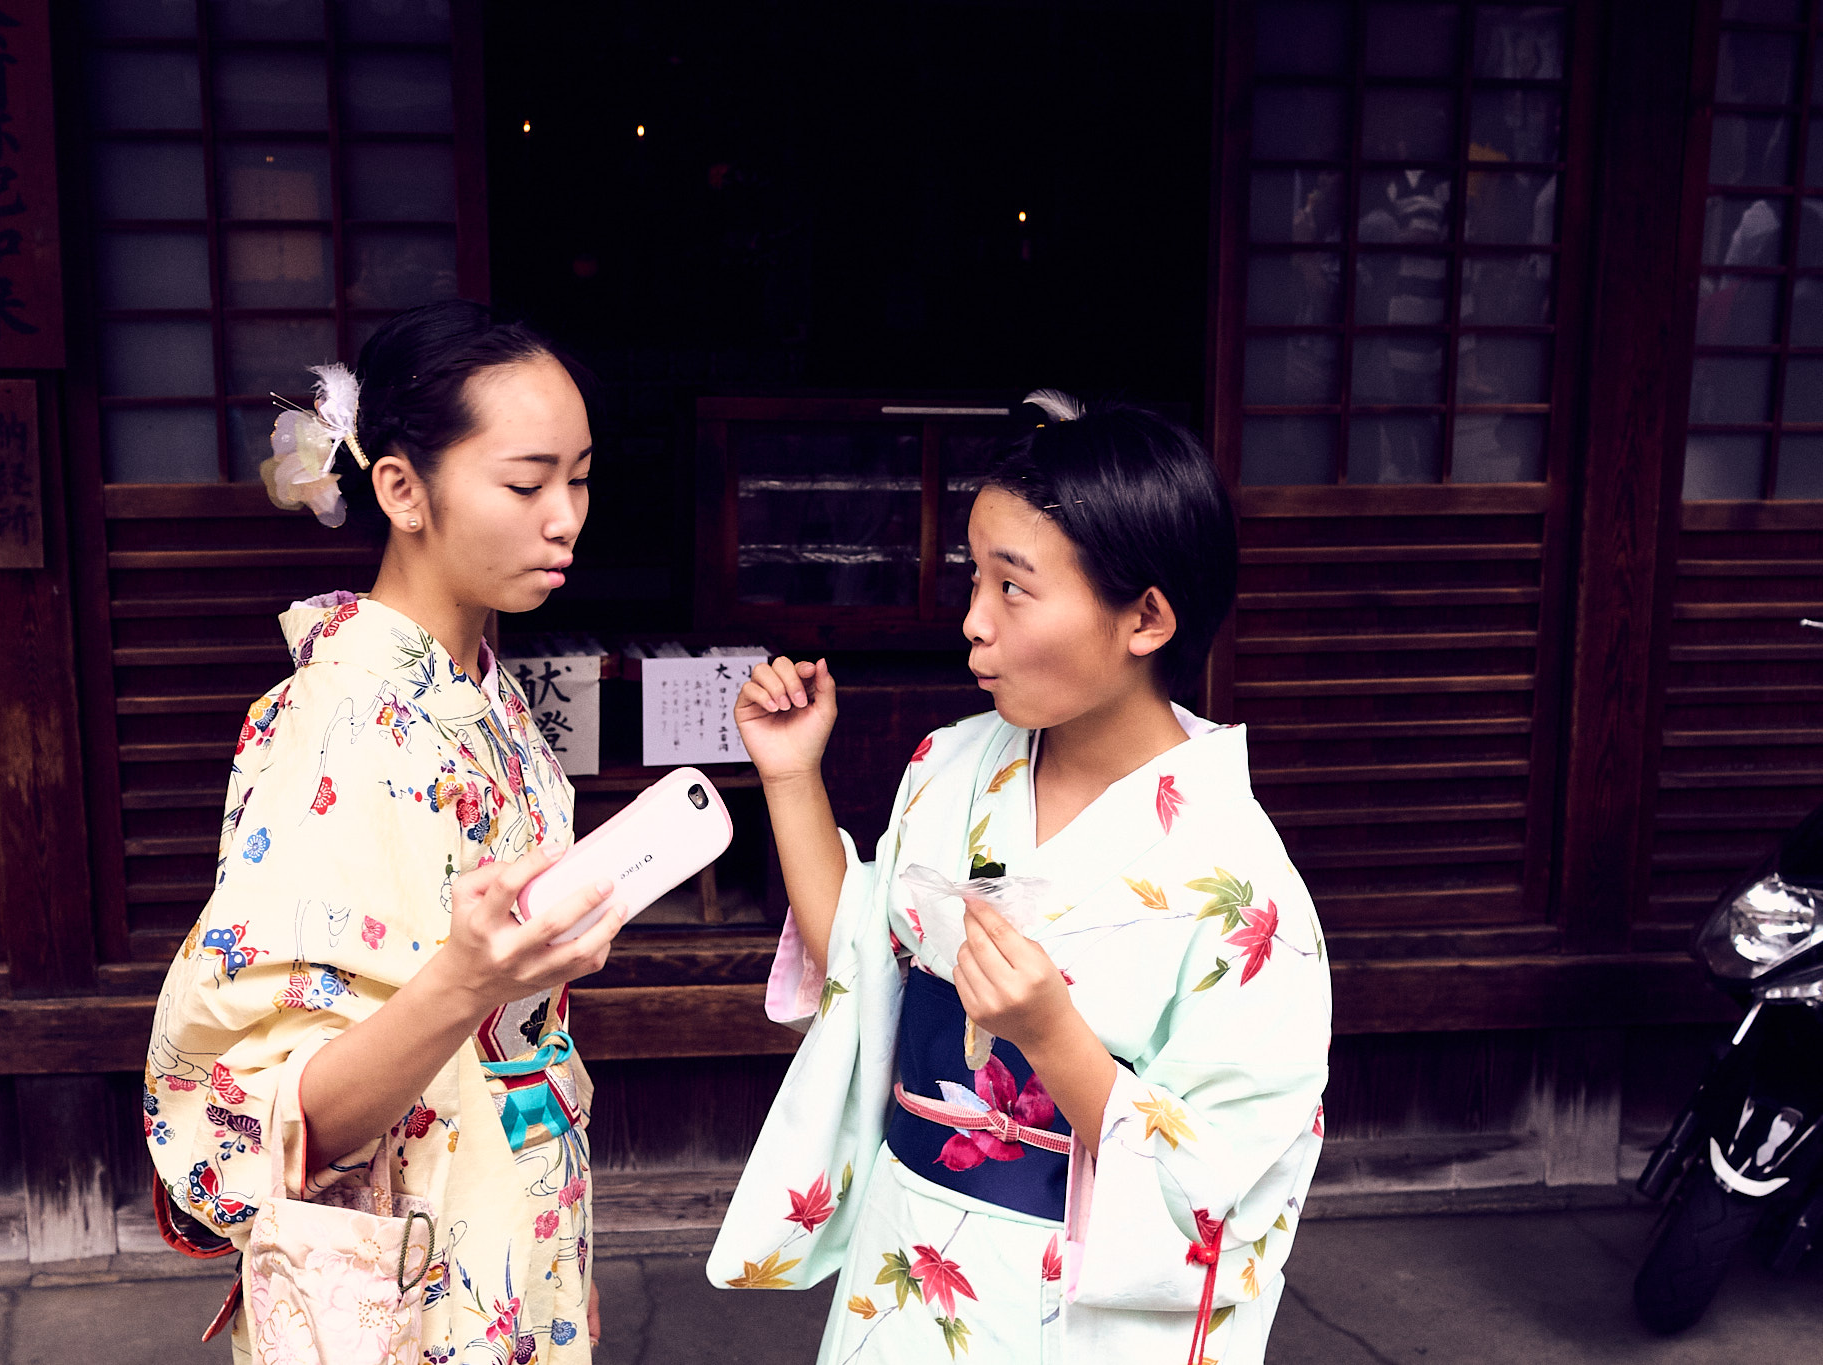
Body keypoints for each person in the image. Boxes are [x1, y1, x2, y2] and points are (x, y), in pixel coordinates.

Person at [708, 392, 1331, 1363]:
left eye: (1012, 587)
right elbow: (863, 981)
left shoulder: (1239, 883)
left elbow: (1222, 1177)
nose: (973, 622)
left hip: (1071, 1301)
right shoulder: (948, 765)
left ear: (1146, 617)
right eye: (974, 578)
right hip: (909, 1254)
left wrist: (1051, 1037)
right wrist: (791, 779)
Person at [144, 301, 625, 1363]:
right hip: (405, 1266)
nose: (565, 518)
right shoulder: (340, 724)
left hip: (512, 1217)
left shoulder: (479, 692)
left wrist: (557, 1247)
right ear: (403, 490)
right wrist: (468, 981)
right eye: (527, 484)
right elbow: (278, 1107)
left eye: (580, 479)